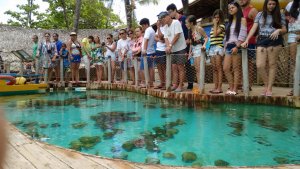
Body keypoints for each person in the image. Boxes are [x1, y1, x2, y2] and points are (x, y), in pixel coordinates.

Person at [242, 0, 287, 96]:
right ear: (266, 4)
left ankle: (269, 88)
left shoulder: (280, 14)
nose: (271, 6)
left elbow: (285, 30)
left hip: (275, 39)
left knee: (272, 64)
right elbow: (254, 28)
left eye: (274, 4)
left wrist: (278, 30)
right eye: (269, 4)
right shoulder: (260, 14)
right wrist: (246, 40)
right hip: (262, 39)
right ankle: (266, 84)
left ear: (276, 5)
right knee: (259, 65)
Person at [167, 3, 194, 90]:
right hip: (177, 46)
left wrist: (189, 40)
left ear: (175, 10)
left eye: (170, 12)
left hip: (186, 44)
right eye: (168, 13)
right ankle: (179, 84)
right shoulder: (172, 22)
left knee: (187, 64)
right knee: (177, 66)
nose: (170, 14)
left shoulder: (183, 18)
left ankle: (190, 83)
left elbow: (189, 29)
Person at [224, 1, 247, 95]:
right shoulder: (229, 22)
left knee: (236, 68)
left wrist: (237, 46)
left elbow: (243, 34)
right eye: (229, 8)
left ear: (238, 8)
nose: (231, 9)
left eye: (232, 7)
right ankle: (231, 86)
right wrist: (225, 46)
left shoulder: (242, 20)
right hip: (228, 46)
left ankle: (235, 88)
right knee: (226, 68)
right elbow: (227, 36)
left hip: (236, 46)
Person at [160, 11, 187, 92]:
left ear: (168, 16)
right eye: (161, 19)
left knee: (180, 67)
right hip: (173, 50)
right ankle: (175, 84)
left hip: (180, 48)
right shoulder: (165, 27)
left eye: (163, 18)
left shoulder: (176, 22)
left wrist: (170, 46)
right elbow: (166, 38)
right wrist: (168, 46)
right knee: (174, 67)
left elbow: (177, 35)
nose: (162, 20)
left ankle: (180, 85)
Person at [239, 0, 258, 90]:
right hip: (239, 41)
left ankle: (248, 85)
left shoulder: (252, 10)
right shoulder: (239, 11)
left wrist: (257, 38)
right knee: (239, 63)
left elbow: (259, 25)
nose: (241, 0)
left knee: (249, 63)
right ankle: (242, 83)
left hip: (249, 41)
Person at [186, 15, 208, 87]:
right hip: (194, 50)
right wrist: (190, 53)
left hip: (199, 49)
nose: (186, 24)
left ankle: (202, 86)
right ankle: (200, 85)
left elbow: (206, 38)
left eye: (187, 23)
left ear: (191, 23)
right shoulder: (189, 31)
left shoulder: (199, 28)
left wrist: (204, 45)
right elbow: (191, 43)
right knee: (197, 69)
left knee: (200, 69)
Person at [208, 9, 226, 94]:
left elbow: (215, 34)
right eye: (215, 17)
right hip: (212, 48)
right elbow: (211, 38)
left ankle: (219, 87)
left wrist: (215, 24)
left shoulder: (222, 26)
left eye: (218, 17)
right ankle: (215, 87)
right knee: (214, 68)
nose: (216, 19)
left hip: (219, 47)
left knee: (219, 68)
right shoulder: (213, 27)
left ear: (221, 18)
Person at [285, 0, 300, 96]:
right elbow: (285, 16)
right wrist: (289, 18)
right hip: (293, 35)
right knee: (295, 63)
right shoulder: (290, 4)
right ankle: (296, 87)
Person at [140, 18, 156, 87]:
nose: (142, 28)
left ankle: (145, 83)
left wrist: (144, 50)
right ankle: (151, 83)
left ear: (146, 24)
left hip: (147, 52)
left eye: (142, 26)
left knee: (143, 68)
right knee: (151, 68)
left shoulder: (148, 30)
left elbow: (146, 40)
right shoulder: (152, 30)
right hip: (151, 51)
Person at [154, 16, 167, 90]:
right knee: (159, 67)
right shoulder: (159, 28)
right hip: (158, 49)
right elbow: (155, 37)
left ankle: (166, 83)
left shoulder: (165, 27)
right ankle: (162, 83)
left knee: (164, 67)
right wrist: (159, 40)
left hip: (163, 50)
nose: (158, 21)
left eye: (159, 20)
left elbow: (162, 36)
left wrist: (158, 27)